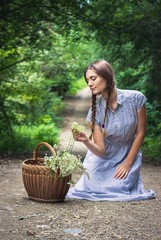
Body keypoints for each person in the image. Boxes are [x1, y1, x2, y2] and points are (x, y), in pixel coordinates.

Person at [66, 59, 156, 201]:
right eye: (87, 80)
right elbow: (101, 151)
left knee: (120, 186)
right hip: (103, 158)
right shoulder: (95, 112)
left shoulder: (136, 99)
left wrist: (127, 164)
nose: (89, 84)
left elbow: (140, 133)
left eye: (93, 78)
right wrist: (85, 141)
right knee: (94, 185)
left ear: (107, 76)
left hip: (128, 154)